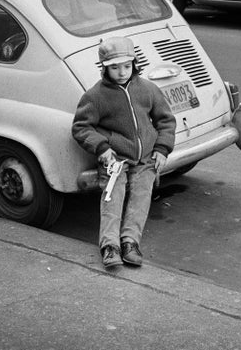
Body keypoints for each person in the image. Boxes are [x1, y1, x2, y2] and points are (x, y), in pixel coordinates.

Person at [72, 36, 176, 268]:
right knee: (112, 197)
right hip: (115, 159)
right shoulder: (96, 96)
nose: (121, 72)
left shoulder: (148, 90)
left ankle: (130, 242)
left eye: (126, 66)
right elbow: (81, 126)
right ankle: (110, 246)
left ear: (134, 64)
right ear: (105, 68)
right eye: (115, 67)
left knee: (141, 196)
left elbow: (166, 121)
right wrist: (102, 148)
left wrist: (162, 149)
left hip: (146, 158)